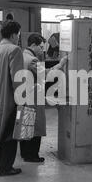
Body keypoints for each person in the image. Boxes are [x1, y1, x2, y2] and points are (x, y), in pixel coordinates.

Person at [20, 33, 67, 163]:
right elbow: (46, 74)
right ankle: (32, 155)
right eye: (40, 47)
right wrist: (60, 64)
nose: (42, 49)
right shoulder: (32, 60)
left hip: (24, 96)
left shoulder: (22, 56)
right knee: (35, 126)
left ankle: (25, 153)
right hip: (33, 98)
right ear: (33, 45)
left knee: (25, 126)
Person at [0, 20, 24, 176]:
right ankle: (5, 167)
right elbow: (18, 79)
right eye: (18, 34)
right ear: (13, 34)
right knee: (10, 133)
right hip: (10, 99)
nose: (18, 38)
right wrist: (22, 101)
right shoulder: (14, 50)